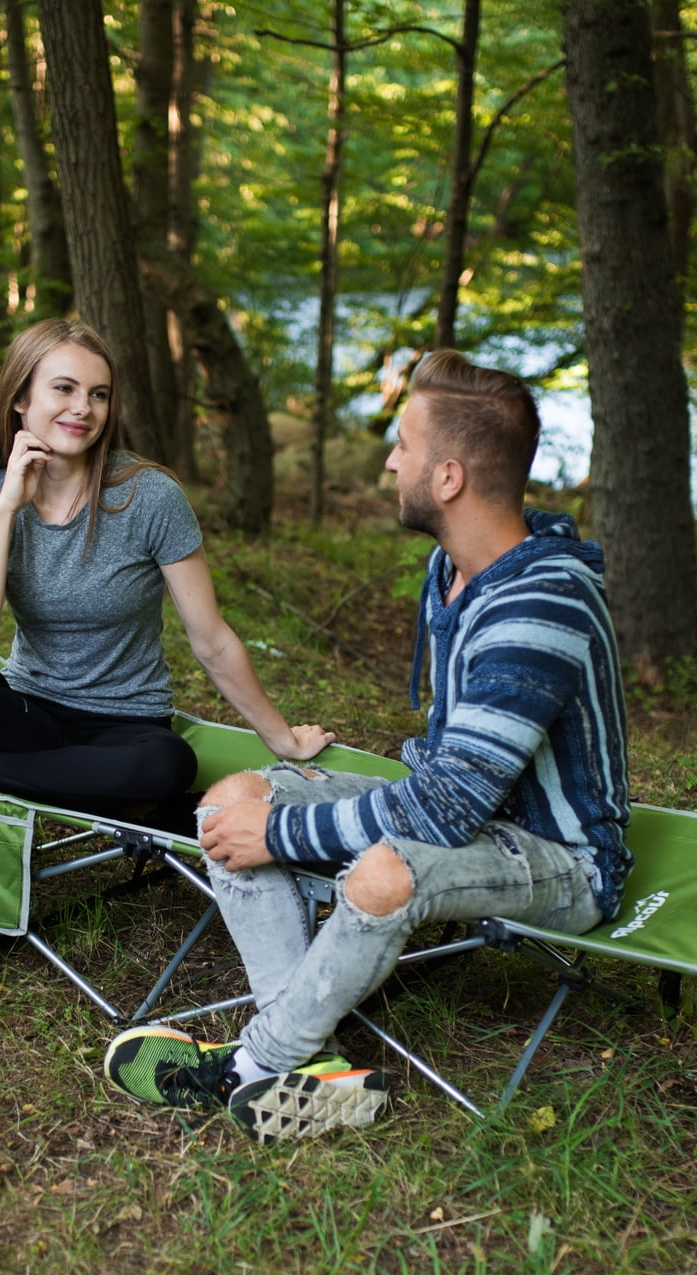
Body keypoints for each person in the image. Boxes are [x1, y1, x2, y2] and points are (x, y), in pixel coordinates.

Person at [103, 351, 632, 1144]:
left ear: (448, 477)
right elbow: (451, 788)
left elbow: (449, 809)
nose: (390, 461)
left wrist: (280, 836)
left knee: (383, 874)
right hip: (471, 814)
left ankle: (254, 1065)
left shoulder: (542, 602)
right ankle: (312, 1072)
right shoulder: (452, 569)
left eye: (404, 447)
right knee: (228, 804)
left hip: (559, 856)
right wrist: (265, 819)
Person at [0, 319, 332, 811]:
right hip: (28, 714)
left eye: (98, 394)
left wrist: (283, 739)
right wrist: (8, 507)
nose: (84, 408)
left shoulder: (150, 497)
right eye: (64, 388)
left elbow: (211, 638)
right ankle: (41, 770)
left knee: (167, 764)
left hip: (127, 724)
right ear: (19, 400)